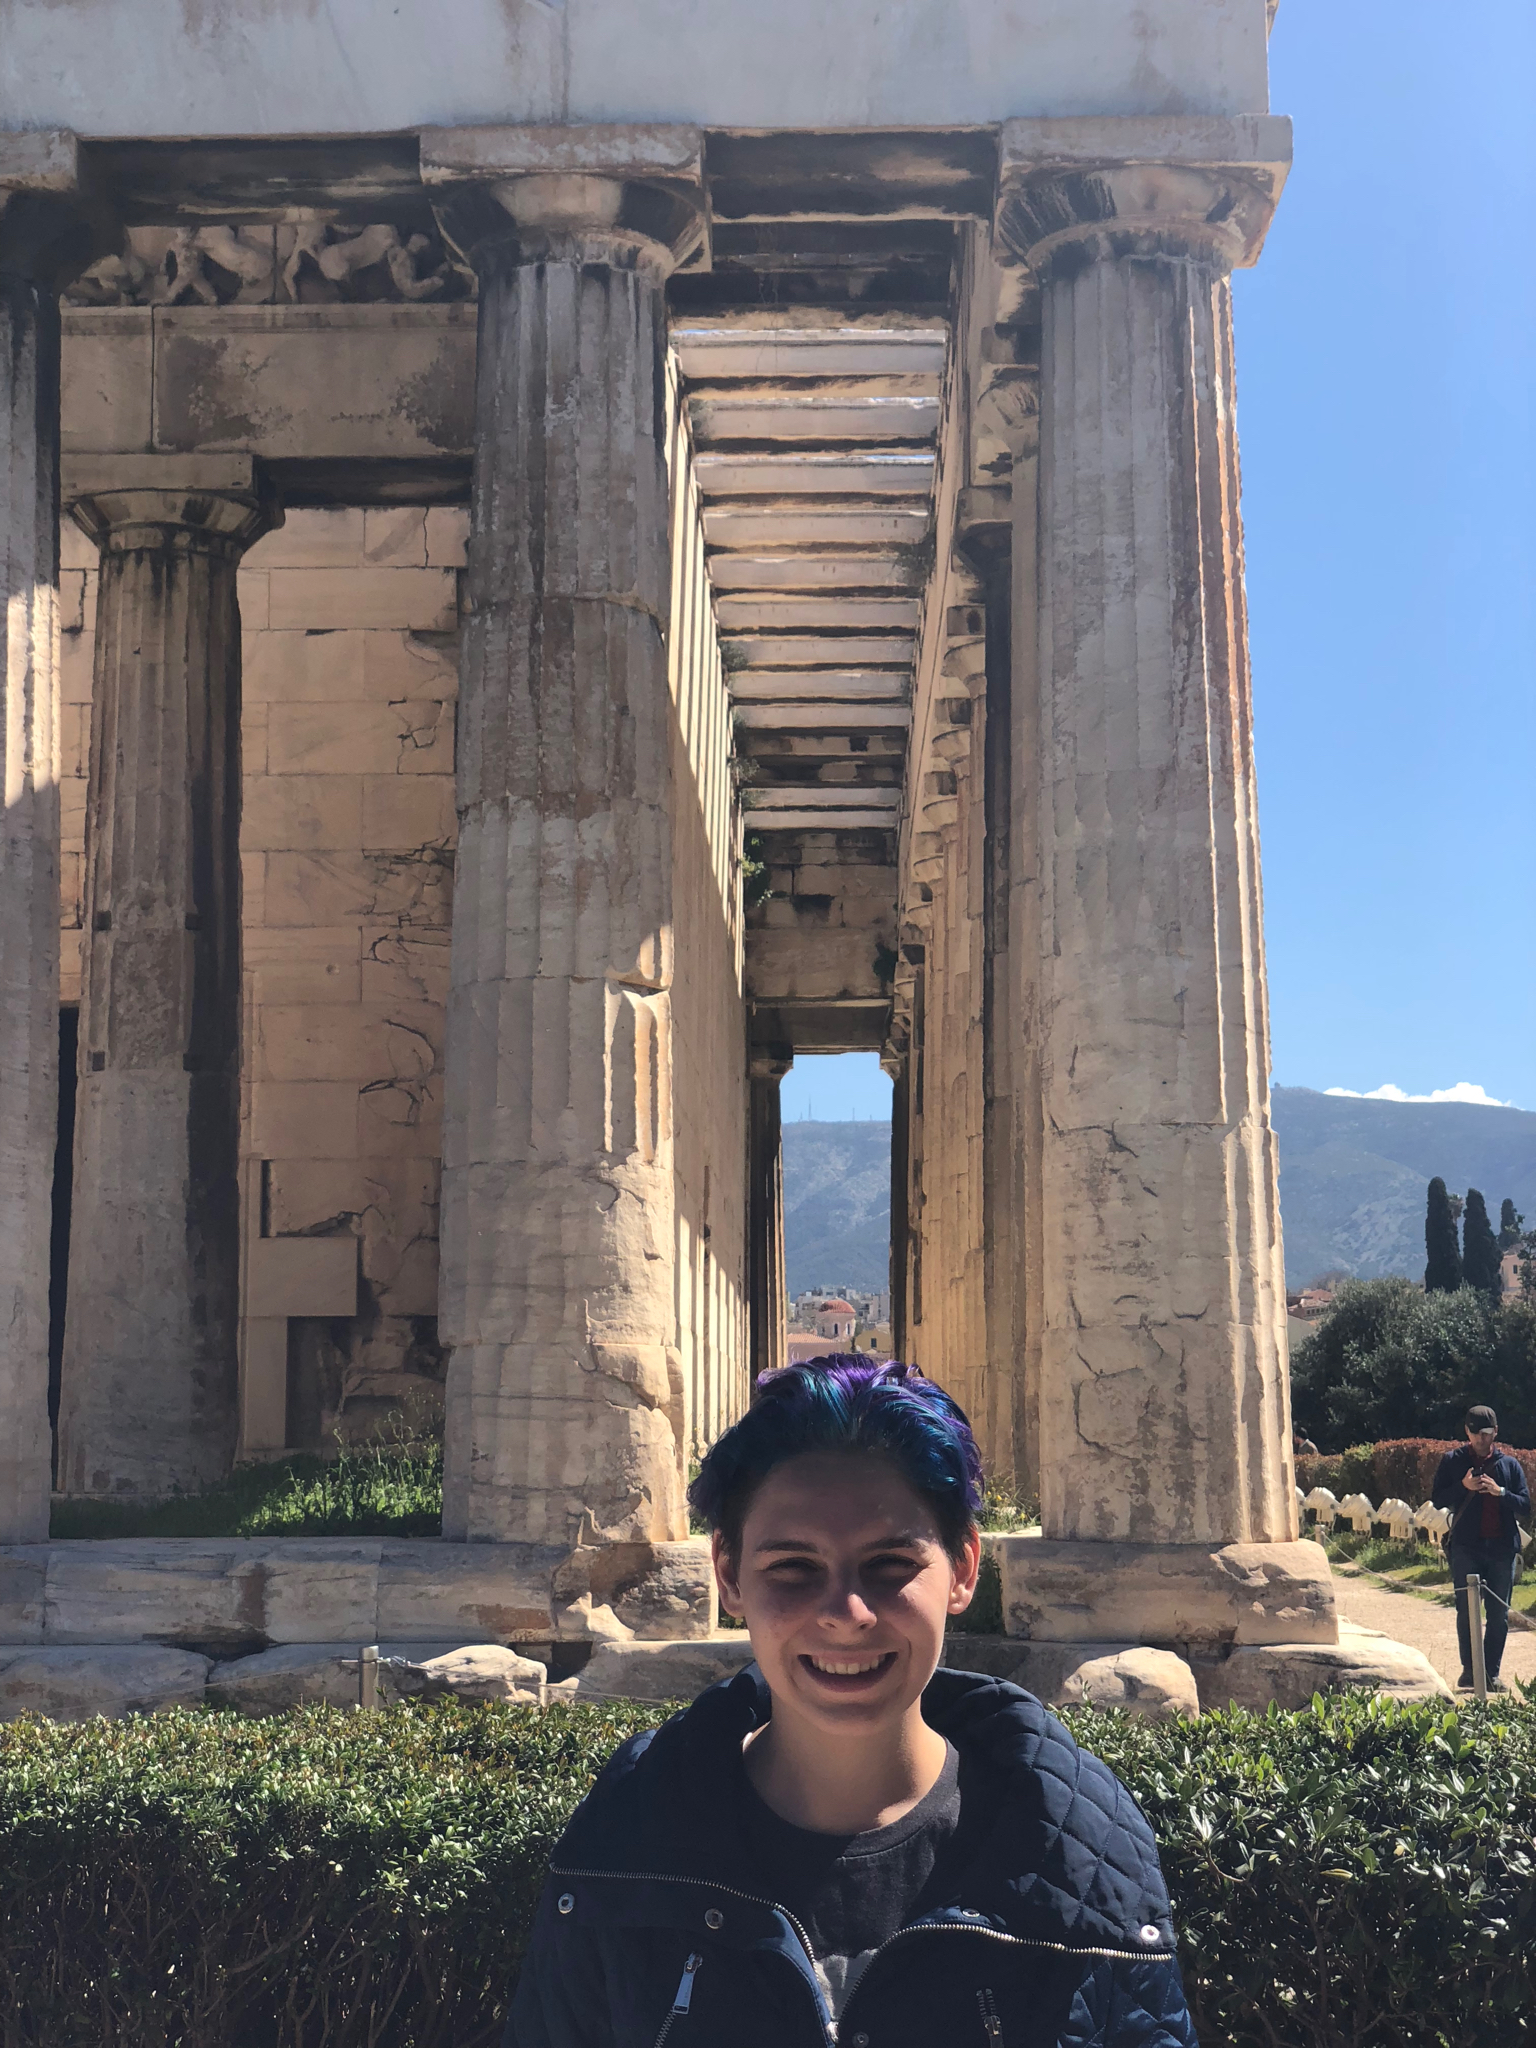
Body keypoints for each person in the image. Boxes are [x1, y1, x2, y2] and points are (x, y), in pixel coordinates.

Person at [507, 1356, 1197, 2047]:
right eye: (793, 1568)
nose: (847, 1613)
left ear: (962, 1569)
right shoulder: (626, 1835)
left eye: (891, 1565)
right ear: (729, 1575)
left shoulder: (1083, 1850)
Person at [1432, 1405, 1531, 1692]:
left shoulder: (1509, 1465)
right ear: (1467, 1432)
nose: (1480, 1439)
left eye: (1486, 1433)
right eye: (1475, 1433)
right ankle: (1469, 1670)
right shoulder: (1453, 1461)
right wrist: (1464, 1486)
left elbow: (1525, 1506)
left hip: (1501, 1548)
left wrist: (1500, 1492)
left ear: (1496, 1432)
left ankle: (1491, 1673)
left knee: (1498, 1615)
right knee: (1465, 1610)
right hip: (1466, 1547)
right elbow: (1437, 1499)